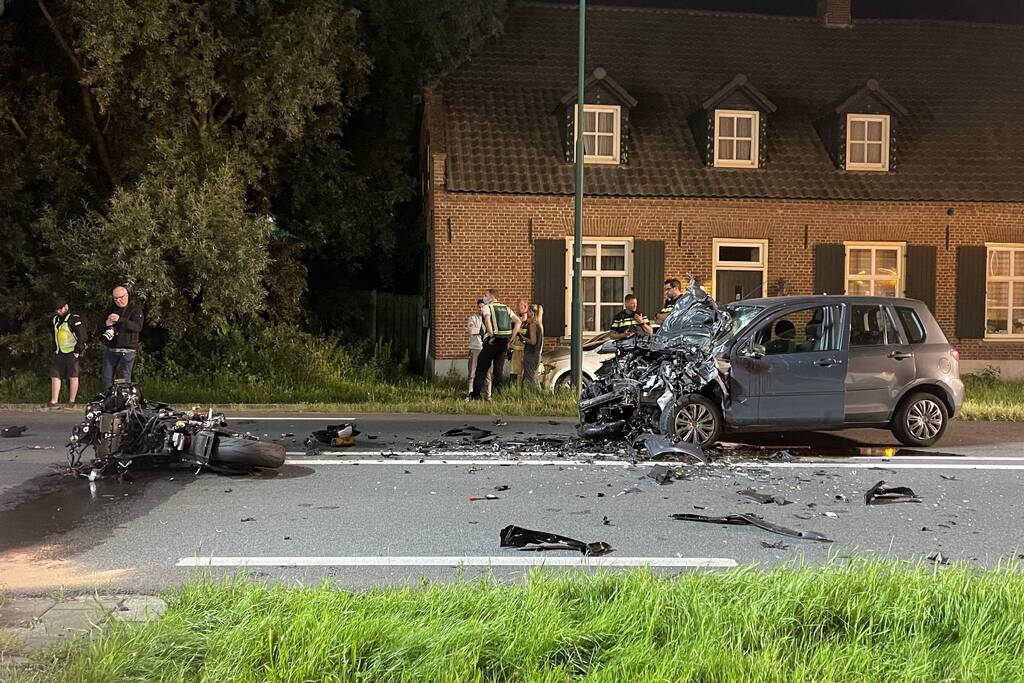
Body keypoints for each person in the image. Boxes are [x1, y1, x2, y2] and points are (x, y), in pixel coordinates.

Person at [468, 288, 521, 400]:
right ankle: (497, 395)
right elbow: (518, 321)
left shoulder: (488, 307)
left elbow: (487, 320)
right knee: (498, 370)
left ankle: (476, 394)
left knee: (481, 368)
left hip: (492, 342)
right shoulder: (506, 308)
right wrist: (511, 338)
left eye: (486, 295)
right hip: (503, 342)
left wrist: (491, 335)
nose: (484, 298)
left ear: (491, 297)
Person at [100, 285, 144, 391]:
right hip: (112, 348)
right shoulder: (111, 309)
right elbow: (100, 327)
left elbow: (137, 327)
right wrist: (106, 323)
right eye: (115, 298)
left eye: (120, 297)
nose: (118, 300)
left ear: (126, 295)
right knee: (106, 377)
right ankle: (108, 401)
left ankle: (124, 402)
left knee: (123, 378)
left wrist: (120, 319)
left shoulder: (135, 310)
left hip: (128, 349)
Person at [50, 297, 88, 408]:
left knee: (73, 376)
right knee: (55, 375)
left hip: (72, 352)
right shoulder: (55, 320)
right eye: (57, 310)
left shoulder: (74, 319)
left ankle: (71, 402)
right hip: (59, 352)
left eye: (60, 309)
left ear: (66, 307)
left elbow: (83, 336)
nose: (58, 311)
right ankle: (54, 401)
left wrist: (78, 351)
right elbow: (55, 335)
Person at [466, 299, 492, 399]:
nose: (480, 309)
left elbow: (491, 332)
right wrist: (483, 330)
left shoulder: (489, 318)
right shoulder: (472, 318)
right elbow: (472, 330)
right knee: (472, 372)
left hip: (486, 348)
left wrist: (480, 330)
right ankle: (471, 393)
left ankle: (488, 395)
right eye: (479, 307)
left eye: (482, 307)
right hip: (475, 348)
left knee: (487, 374)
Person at [522, 303, 545, 384]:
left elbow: (533, 341)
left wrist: (523, 337)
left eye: (528, 311)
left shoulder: (533, 325)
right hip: (537, 354)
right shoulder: (540, 324)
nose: (527, 313)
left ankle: (533, 394)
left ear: (532, 313)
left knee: (530, 379)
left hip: (530, 354)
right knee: (534, 378)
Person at [508, 298, 530, 383]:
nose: (516, 308)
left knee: (523, 373)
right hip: (515, 352)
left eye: (518, 305)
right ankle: (514, 390)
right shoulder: (515, 320)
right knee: (514, 372)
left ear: (525, 307)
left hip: (525, 351)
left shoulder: (529, 322)